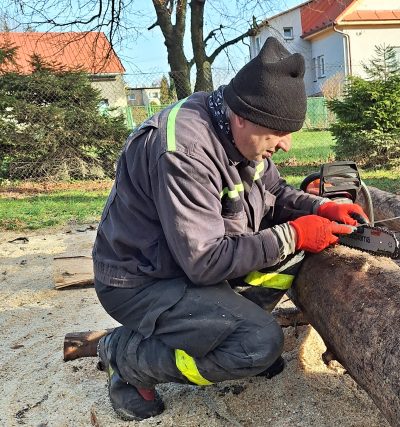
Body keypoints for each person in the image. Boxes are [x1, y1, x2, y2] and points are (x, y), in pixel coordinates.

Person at [92, 37, 368, 421]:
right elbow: (204, 261)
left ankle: (228, 340)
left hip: (184, 265)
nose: (286, 145)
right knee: (257, 343)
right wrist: (296, 233)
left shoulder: (234, 126)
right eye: (278, 133)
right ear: (243, 117)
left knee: (289, 263)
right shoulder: (184, 151)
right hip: (142, 281)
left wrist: (323, 207)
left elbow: (273, 191)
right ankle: (126, 358)